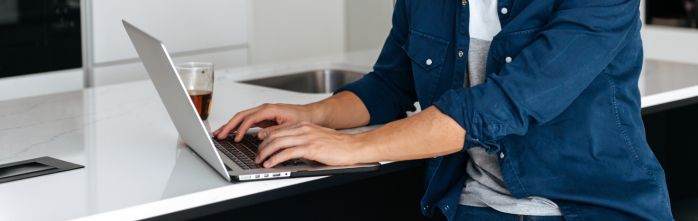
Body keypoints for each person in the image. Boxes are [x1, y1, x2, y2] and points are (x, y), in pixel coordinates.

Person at [214, 0, 673, 220]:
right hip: (467, 204)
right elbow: (391, 83)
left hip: (587, 208)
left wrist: (352, 148)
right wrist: (312, 117)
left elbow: (503, 104)